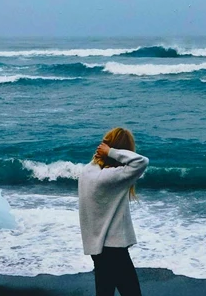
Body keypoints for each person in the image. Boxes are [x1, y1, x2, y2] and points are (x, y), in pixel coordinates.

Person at [78, 127, 149, 296]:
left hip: (97, 248)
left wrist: (104, 152)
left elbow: (96, 162)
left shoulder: (87, 172)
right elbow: (141, 161)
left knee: (104, 292)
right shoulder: (110, 178)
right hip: (114, 248)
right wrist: (112, 152)